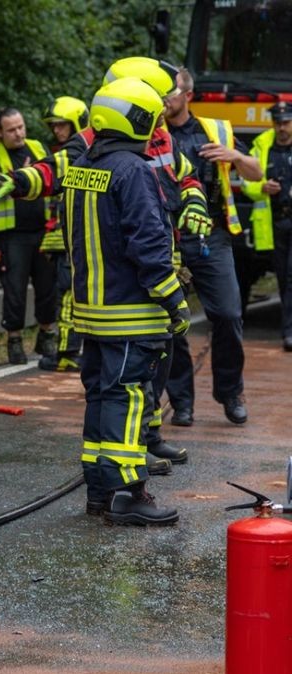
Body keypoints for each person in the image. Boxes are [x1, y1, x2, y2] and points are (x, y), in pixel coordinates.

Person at [0, 57, 205, 478]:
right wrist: (21, 181)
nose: (160, 111)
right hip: (138, 282)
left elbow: (187, 177)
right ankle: (123, 474)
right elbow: (57, 168)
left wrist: (193, 205)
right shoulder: (102, 143)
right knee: (128, 381)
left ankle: (143, 444)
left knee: (149, 368)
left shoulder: (159, 136)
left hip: (142, 274)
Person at [67, 76, 188, 525]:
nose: (157, 131)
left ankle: (100, 492)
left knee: (101, 397)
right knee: (129, 399)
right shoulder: (134, 171)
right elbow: (150, 246)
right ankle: (128, 494)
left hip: (93, 313)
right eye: (152, 121)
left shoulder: (82, 166)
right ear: (135, 119)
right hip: (130, 315)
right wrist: (175, 301)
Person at [163, 67, 264, 426]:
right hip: (168, 239)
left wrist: (234, 156)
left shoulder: (214, 129)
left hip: (213, 237)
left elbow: (255, 172)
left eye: (171, 93)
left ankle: (230, 391)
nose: (165, 100)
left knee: (228, 314)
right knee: (172, 322)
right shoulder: (152, 133)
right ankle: (181, 401)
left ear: (188, 96)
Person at [0, 108, 58, 365]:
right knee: (14, 291)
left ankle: (46, 335)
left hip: (43, 231)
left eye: (21, 127)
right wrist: (22, 179)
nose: (18, 133)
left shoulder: (37, 148)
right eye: (12, 129)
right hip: (11, 236)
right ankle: (14, 340)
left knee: (48, 288)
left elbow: (54, 179)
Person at [38, 96, 89, 372]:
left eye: (62, 125)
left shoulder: (77, 157)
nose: (57, 131)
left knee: (69, 298)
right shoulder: (67, 154)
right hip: (62, 243)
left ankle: (68, 352)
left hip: (75, 242)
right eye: (54, 126)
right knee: (65, 296)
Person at [242, 101, 292, 351]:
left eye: (285, 122)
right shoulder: (263, 145)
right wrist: (261, 187)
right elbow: (246, 180)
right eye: (277, 122)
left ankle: (289, 332)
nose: (281, 127)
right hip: (275, 222)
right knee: (283, 277)